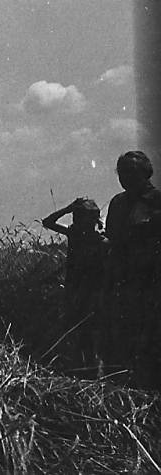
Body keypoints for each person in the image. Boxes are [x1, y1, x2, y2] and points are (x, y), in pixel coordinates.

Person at [103, 150, 161, 389]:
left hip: (151, 280)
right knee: (123, 336)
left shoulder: (157, 200)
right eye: (122, 172)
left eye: (132, 171)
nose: (126, 177)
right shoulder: (118, 202)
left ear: (147, 172)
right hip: (123, 280)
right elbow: (112, 236)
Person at [41, 198, 108, 373]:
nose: (75, 221)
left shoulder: (99, 242)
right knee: (79, 333)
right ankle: (85, 371)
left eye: (78, 216)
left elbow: (48, 222)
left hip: (90, 293)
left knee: (87, 334)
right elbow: (47, 222)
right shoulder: (82, 236)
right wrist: (68, 208)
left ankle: (91, 371)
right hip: (77, 291)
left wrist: (67, 209)